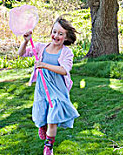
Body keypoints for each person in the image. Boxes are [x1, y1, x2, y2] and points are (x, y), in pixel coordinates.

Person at [18, 17, 80, 155]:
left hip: (58, 90)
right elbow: (21, 54)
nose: (56, 36)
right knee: (41, 117)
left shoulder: (66, 52)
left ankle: (48, 148)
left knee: (53, 119)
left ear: (66, 37)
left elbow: (64, 70)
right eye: (54, 32)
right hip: (42, 89)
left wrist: (44, 65)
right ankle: (42, 125)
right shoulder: (40, 47)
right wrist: (26, 41)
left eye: (60, 34)